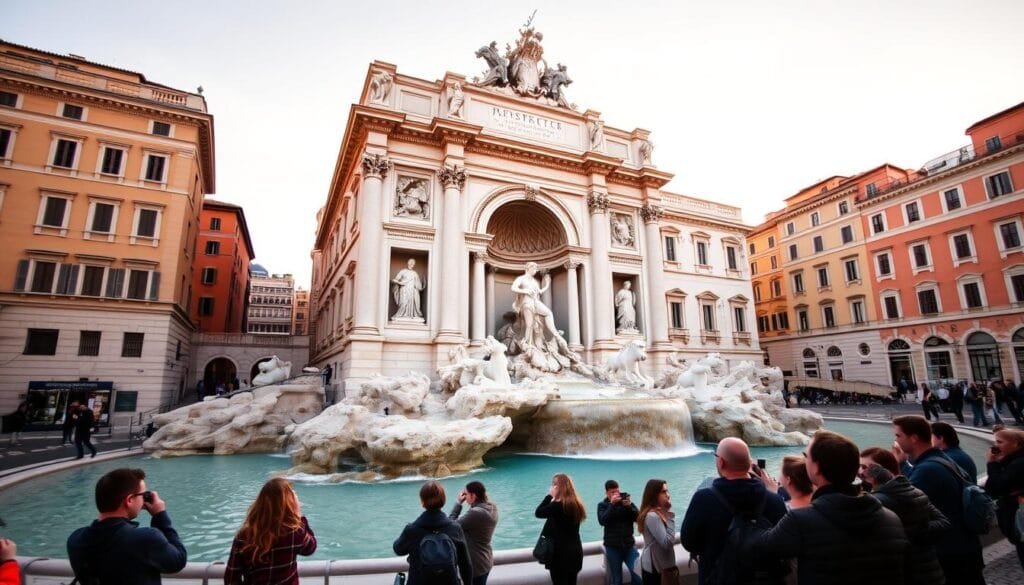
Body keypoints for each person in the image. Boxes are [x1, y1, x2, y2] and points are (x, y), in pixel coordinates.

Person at [753, 431, 908, 585]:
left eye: (806, 456)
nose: (804, 460)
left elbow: (761, 549)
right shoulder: (892, 518)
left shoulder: (801, 521)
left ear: (817, 468)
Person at [892, 415, 986, 584]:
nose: (896, 440)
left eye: (898, 436)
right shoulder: (944, 459)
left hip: (949, 552)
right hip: (965, 546)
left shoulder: (927, 469)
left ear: (913, 438)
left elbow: (905, 502)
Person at [680, 437, 786, 585]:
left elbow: (689, 542)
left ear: (721, 462)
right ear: (750, 464)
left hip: (716, 577)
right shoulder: (775, 500)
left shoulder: (704, 499)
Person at [67, 468, 187, 585]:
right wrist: (160, 515)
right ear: (129, 500)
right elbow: (178, 561)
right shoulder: (145, 538)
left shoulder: (76, 539)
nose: (144, 499)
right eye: (143, 495)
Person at [859, 447, 949, 585]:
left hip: (908, 574)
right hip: (931, 572)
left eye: (866, 467)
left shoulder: (877, 501)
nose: (860, 472)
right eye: (860, 467)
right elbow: (944, 523)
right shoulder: (914, 491)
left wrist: (906, 533)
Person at [223, 478, 316, 584]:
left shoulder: (243, 536)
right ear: (288, 504)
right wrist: (299, 517)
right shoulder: (294, 533)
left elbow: (231, 578)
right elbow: (310, 548)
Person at [394, 480, 473, 585]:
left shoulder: (412, 530)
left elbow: (398, 549)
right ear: (443, 500)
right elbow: (465, 564)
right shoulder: (455, 528)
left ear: (422, 501)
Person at [983, 428, 1024, 569]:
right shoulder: (1013, 461)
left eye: (1000, 442)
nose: (995, 446)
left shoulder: (1018, 463)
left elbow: (995, 487)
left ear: (1016, 444)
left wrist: (992, 463)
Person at [535, 473, 586, 585]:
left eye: (554, 485)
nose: (552, 487)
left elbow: (538, 513)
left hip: (560, 556)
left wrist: (549, 496)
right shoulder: (577, 504)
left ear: (560, 487)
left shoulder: (557, 506)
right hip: (575, 553)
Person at [449, 481, 499, 585]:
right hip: (485, 560)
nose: (464, 497)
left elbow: (450, 526)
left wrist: (458, 503)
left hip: (475, 565)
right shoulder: (492, 507)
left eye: (466, 494)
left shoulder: (476, 513)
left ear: (473, 495)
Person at [597, 479, 640, 585]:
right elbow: (602, 521)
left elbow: (638, 518)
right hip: (612, 547)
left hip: (629, 546)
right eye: (612, 492)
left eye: (617, 491)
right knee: (616, 580)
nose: (616, 494)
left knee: (638, 575)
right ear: (606, 493)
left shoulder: (626, 501)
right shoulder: (602, 505)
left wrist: (629, 507)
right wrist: (611, 505)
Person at [511, 262, 562, 349]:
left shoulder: (534, 281)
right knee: (529, 324)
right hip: (526, 303)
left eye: (536, 269)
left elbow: (539, 292)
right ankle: (527, 343)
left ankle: (555, 334)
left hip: (535, 302)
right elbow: (513, 287)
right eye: (534, 269)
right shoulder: (521, 279)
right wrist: (525, 291)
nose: (535, 271)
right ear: (528, 268)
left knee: (548, 313)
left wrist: (547, 284)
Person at [636, 479, 676, 585]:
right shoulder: (652, 516)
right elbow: (667, 543)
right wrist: (670, 517)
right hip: (657, 570)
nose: (667, 495)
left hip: (658, 567)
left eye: (667, 491)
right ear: (654, 495)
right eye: (663, 492)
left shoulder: (658, 513)